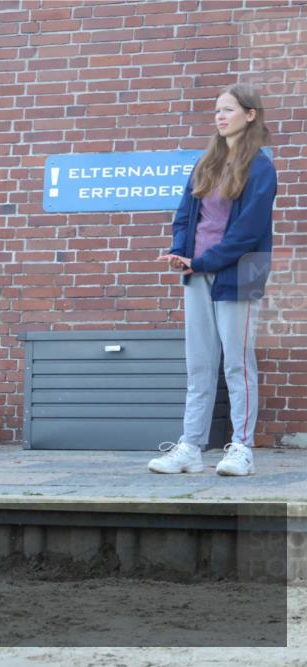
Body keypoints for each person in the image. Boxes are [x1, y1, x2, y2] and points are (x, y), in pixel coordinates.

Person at [151, 83, 277, 476]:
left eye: (228, 109)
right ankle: (190, 447)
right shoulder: (205, 163)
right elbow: (184, 216)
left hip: (238, 275)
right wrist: (179, 251)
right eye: (217, 110)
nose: (220, 117)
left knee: (237, 365)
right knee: (200, 366)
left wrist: (205, 261)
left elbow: (248, 231)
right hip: (197, 274)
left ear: (250, 115)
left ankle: (242, 449)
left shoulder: (261, 167)